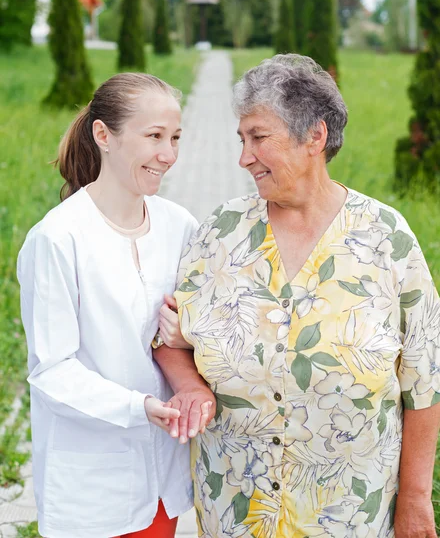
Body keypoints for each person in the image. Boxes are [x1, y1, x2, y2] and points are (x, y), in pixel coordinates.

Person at [163, 55, 440, 537]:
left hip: (350, 516)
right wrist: (189, 385)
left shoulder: (386, 239)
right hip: (236, 512)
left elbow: (425, 379)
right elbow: (171, 339)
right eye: (241, 139)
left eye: (259, 138)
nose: (243, 157)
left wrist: (415, 498)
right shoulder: (220, 233)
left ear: (315, 137)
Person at [17, 73, 215, 538]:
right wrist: (139, 406)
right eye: (154, 137)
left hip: (162, 479)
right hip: (92, 486)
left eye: (175, 138)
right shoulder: (58, 239)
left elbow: (194, 326)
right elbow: (52, 369)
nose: (168, 154)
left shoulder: (179, 226)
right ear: (103, 135)